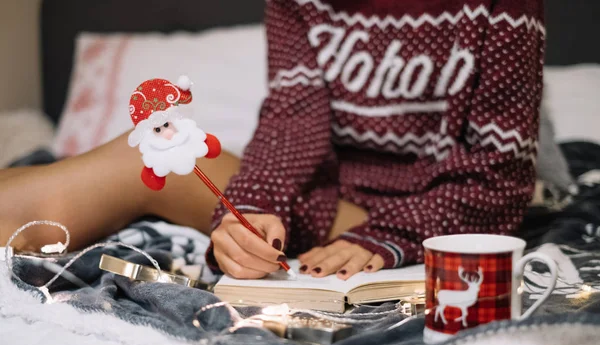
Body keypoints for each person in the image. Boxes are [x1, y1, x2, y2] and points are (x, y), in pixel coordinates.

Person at [0, 0, 545, 282]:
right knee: (150, 149)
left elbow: (498, 177)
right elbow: (290, 122)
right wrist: (257, 208)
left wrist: (388, 239)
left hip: (441, 218)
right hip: (329, 209)